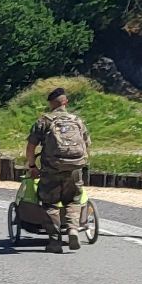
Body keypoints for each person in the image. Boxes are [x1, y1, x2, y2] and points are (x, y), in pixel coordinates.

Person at [25, 86, 91, 251]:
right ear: (65, 102)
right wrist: (81, 164)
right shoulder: (77, 121)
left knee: (50, 203)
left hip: (51, 169)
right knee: (73, 200)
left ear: (51, 103)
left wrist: (32, 166)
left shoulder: (44, 121)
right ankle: (73, 229)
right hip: (74, 169)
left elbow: (31, 147)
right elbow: (87, 144)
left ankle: (55, 242)